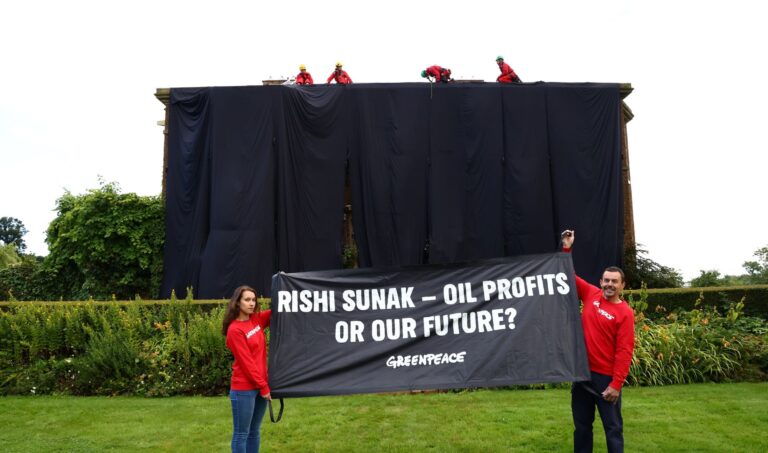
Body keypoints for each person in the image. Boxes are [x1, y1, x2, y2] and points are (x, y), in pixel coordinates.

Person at [561, 230, 635, 453]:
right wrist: (567, 247)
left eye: (614, 281)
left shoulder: (625, 313)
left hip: (606, 378)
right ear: (600, 281)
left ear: (622, 285)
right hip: (582, 374)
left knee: (613, 428)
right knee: (582, 427)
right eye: (606, 280)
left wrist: (616, 384)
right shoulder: (591, 294)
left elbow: (624, 350)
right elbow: (567, 275)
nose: (609, 284)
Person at [223, 285, 272, 453]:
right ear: (238, 303)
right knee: (241, 434)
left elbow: (278, 311)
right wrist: (263, 386)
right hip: (244, 388)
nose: (251, 303)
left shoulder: (256, 320)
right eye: (247, 300)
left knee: (254, 431)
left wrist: (285, 285)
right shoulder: (234, 330)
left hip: (260, 385)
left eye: (254, 300)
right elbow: (247, 363)